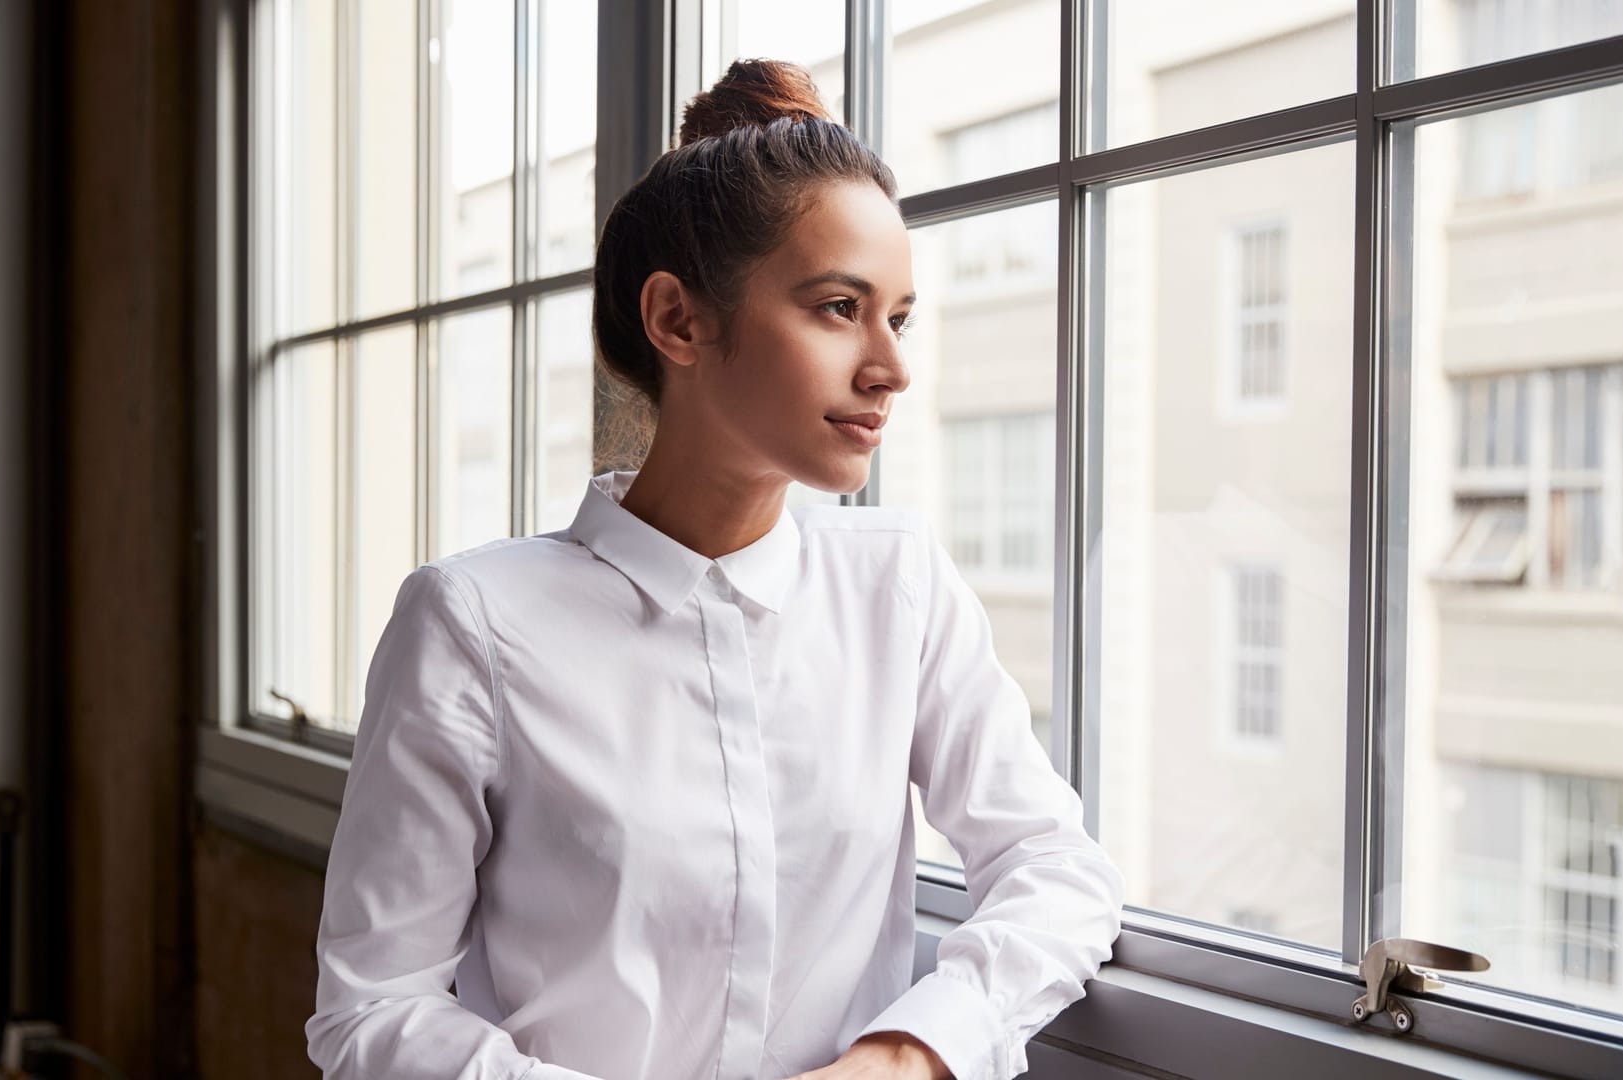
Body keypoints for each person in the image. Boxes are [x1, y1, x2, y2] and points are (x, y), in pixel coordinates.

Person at [305, 58, 1124, 1080]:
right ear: (677, 320)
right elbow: (372, 1011)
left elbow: (1056, 867)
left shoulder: (897, 587)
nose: (892, 366)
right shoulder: (472, 624)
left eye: (899, 317)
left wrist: (905, 1057)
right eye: (838, 307)